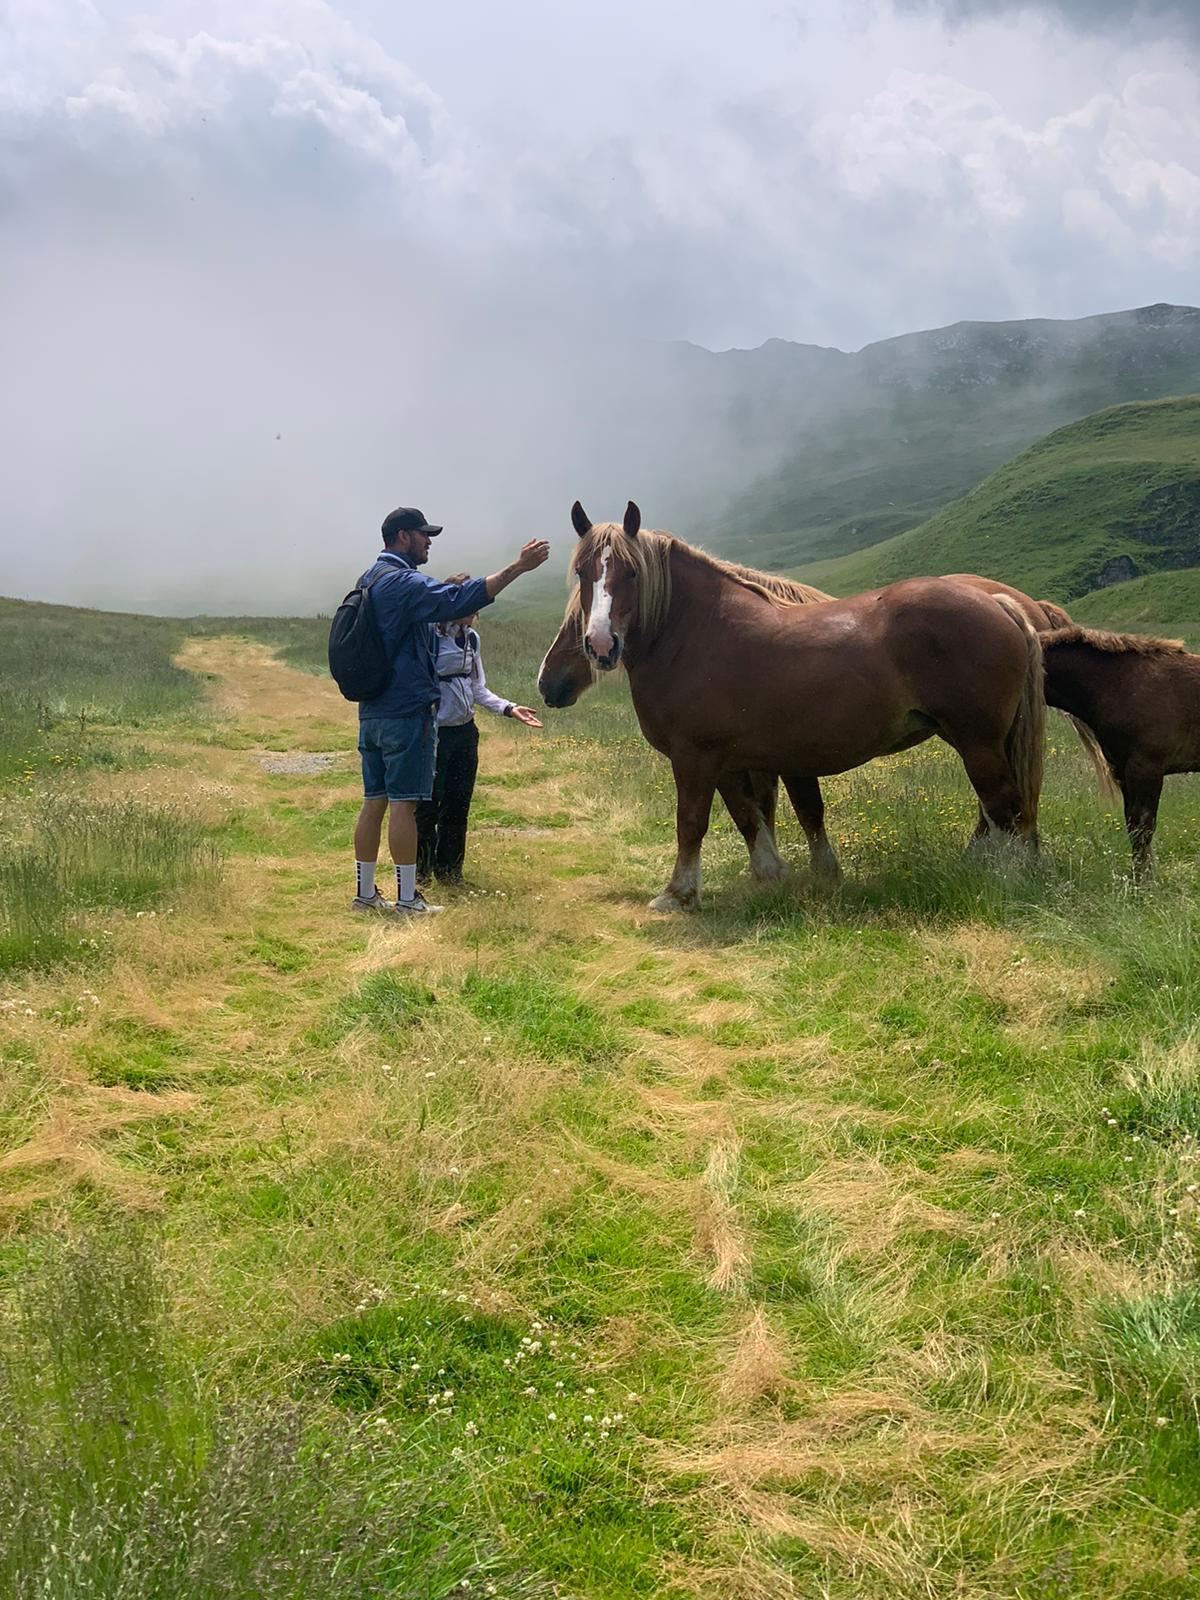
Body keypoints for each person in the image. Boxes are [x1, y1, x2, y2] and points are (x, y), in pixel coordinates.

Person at [350, 507, 549, 916]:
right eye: (424, 535)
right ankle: (407, 900)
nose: (429, 542)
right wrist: (519, 567)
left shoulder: (369, 579)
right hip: (406, 713)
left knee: (374, 802)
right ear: (403, 536)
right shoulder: (404, 582)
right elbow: (459, 598)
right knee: (406, 806)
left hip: (372, 711)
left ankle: (366, 895)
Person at [417, 609, 543, 887]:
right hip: (434, 733)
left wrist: (509, 709)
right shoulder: (428, 637)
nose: (476, 610)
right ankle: (420, 876)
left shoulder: (471, 639)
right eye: (470, 604)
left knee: (458, 804)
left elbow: (477, 688)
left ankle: (450, 874)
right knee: (427, 806)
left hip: (465, 732)